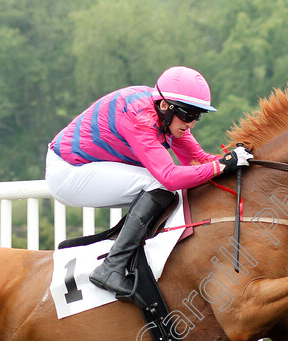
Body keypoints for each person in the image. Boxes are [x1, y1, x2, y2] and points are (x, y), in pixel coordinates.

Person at [46, 66, 252, 296]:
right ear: (165, 106)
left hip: (85, 166)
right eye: (188, 115)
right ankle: (111, 267)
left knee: (165, 189)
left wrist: (240, 160)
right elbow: (171, 177)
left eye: (197, 116)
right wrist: (221, 165)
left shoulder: (166, 116)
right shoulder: (140, 117)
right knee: (161, 186)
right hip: (69, 172)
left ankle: (124, 258)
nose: (192, 123)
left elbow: (198, 159)